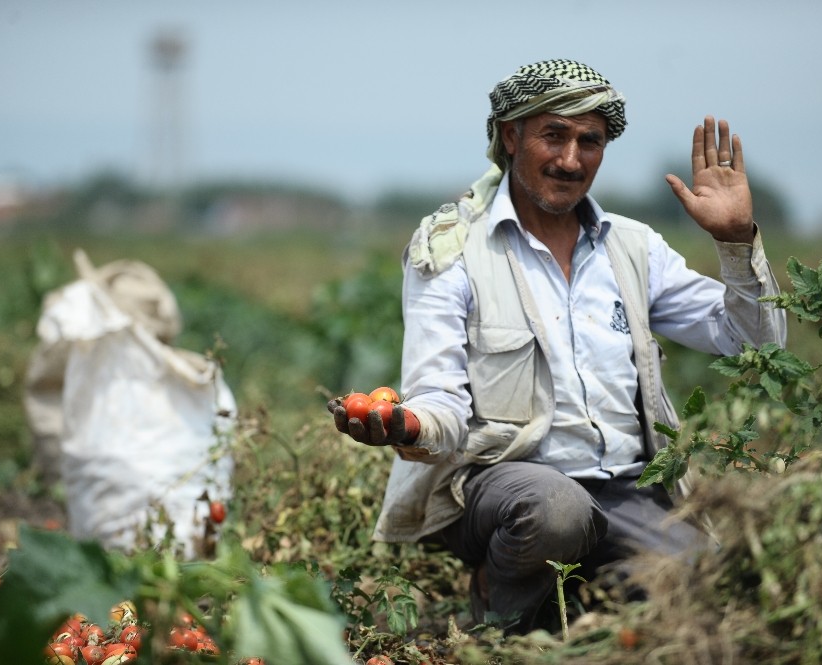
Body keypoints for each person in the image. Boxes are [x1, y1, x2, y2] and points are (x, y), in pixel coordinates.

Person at [328, 58, 786, 634]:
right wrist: (405, 425)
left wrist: (735, 241)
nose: (572, 160)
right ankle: (501, 623)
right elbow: (438, 397)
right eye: (554, 136)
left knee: (712, 593)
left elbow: (753, 339)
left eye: (589, 141)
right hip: (501, 488)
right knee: (556, 510)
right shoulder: (453, 250)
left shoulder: (633, 248)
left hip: (625, 489)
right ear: (511, 136)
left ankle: (593, 594)